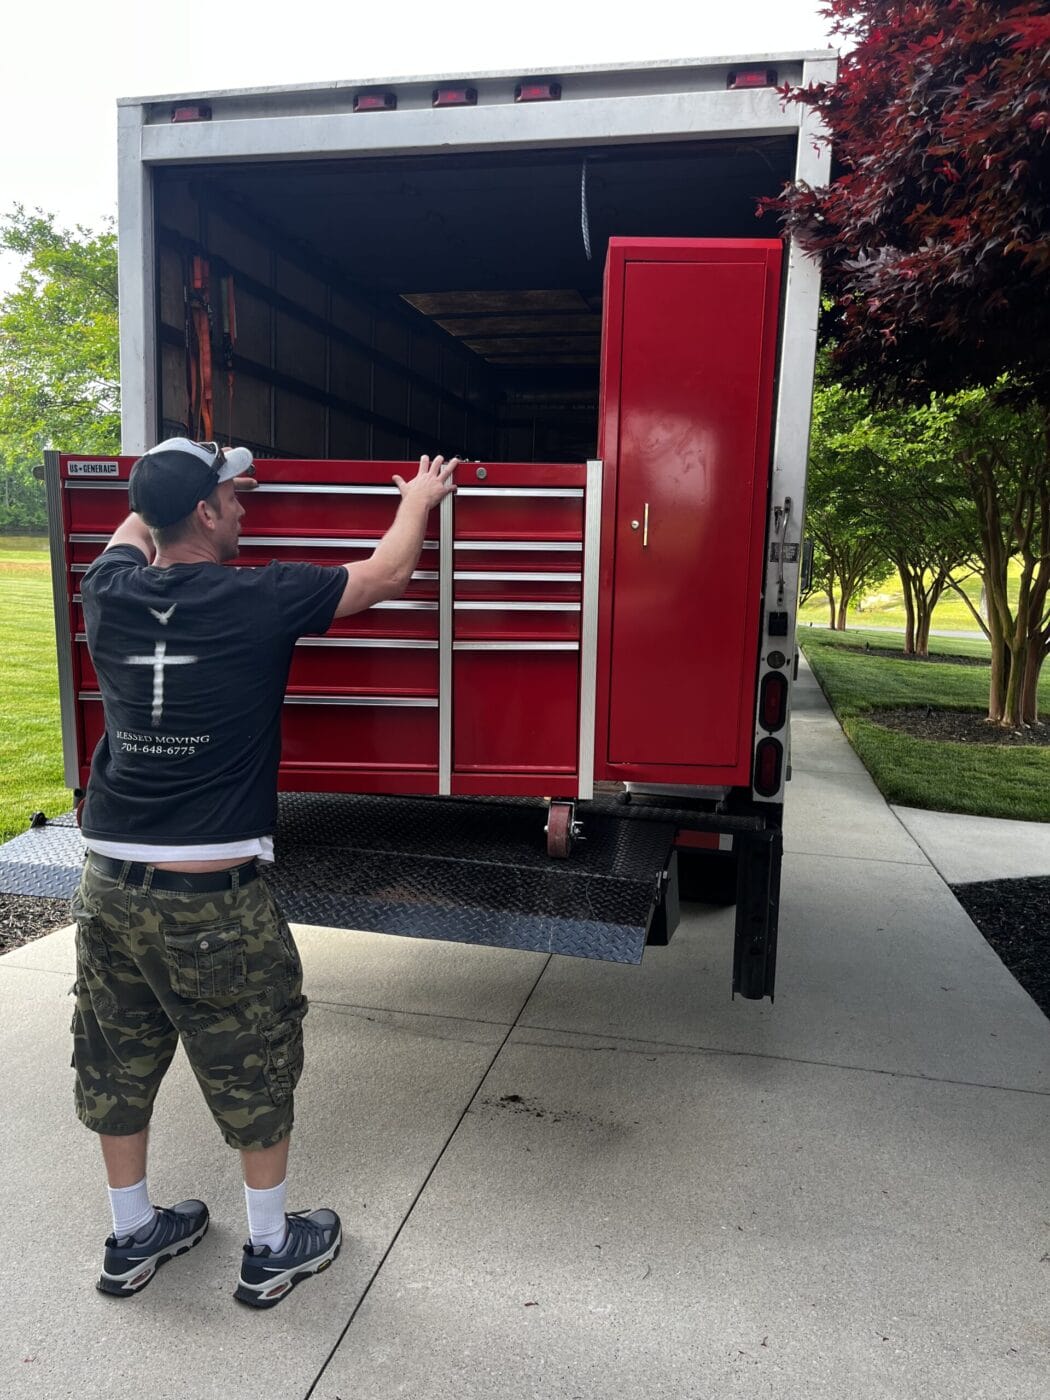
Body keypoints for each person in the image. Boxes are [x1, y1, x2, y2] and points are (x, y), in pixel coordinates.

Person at [71, 437, 457, 1307]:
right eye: (233, 496)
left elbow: (140, 520)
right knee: (254, 1062)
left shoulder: (110, 590)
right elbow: (385, 576)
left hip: (106, 882)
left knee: (116, 1060)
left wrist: (172, 477)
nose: (247, 507)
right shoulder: (261, 595)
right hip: (207, 897)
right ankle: (274, 1247)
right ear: (205, 513)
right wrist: (420, 499)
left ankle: (133, 1235)